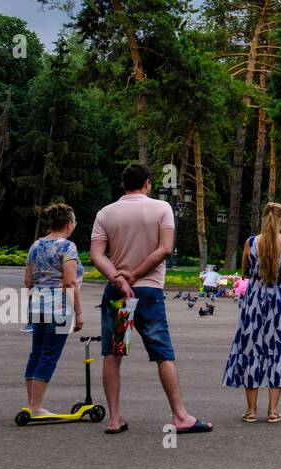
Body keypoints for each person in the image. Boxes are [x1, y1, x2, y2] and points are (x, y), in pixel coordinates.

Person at [89, 163, 211, 435]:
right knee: (162, 353)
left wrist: (119, 279)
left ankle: (114, 418)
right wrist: (133, 275)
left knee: (114, 353)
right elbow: (165, 249)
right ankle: (180, 415)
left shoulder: (106, 213)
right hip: (148, 291)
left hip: (119, 294)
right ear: (147, 184)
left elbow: (97, 255)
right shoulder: (161, 208)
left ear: (124, 184)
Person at [223, 202, 281, 424]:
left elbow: (246, 271)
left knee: (251, 351)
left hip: (255, 304)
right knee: (279, 351)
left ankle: (250, 410)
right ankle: (273, 410)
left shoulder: (251, 243)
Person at [23, 205, 84, 416]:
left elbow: (28, 281)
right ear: (69, 224)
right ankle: (36, 407)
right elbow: (70, 282)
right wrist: (78, 312)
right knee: (49, 355)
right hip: (59, 308)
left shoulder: (35, 246)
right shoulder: (67, 247)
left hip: (37, 306)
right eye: (74, 222)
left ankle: (32, 403)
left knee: (36, 352)